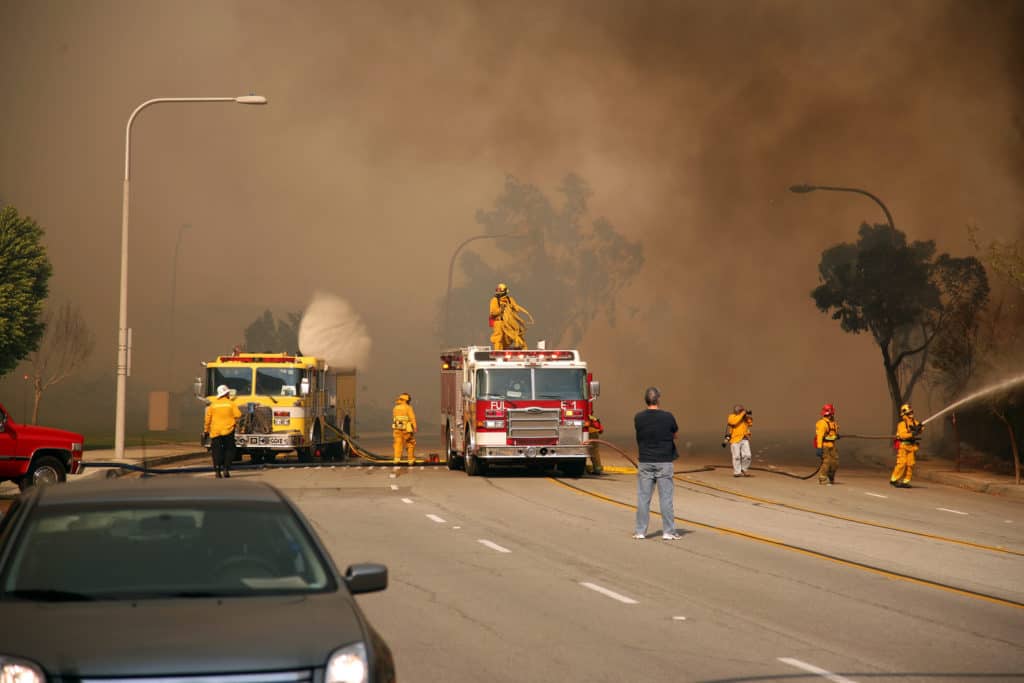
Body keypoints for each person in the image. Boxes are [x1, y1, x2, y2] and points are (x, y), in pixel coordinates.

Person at [633, 387, 681, 540]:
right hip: (664, 462)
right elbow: (675, 434)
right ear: (658, 399)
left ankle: (640, 531)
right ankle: (668, 532)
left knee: (643, 498)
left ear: (645, 400)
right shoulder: (668, 417)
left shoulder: (638, 418)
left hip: (645, 461)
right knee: (666, 498)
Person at [204, 384, 241, 478]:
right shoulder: (231, 403)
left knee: (216, 451)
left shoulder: (213, 405)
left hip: (215, 431)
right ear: (226, 393)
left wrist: (206, 430)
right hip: (228, 430)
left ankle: (217, 470)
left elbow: (208, 419)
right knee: (230, 449)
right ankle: (226, 469)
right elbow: (238, 415)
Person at [891, 403, 923, 488]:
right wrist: (912, 433)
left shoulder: (914, 422)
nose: (911, 414)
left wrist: (919, 428)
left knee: (910, 464)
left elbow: (921, 428)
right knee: (901, 463)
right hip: (903, 446)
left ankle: (906, 481)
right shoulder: (901, 424)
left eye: (911, 412)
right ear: (904, 414)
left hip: (911, 447)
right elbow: (902, 435)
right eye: (909, 413)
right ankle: (894, 479)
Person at [488, 283, 528, 350]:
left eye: (500, 290)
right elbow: (493, 312)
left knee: (511, 337)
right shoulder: (494, 300)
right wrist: (501, 309)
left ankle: (523, 349)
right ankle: (498, 352)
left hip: (509, 323)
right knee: (498, 338)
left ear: (505, 291)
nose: (498, 291)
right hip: (499, 323)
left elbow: (516, 308)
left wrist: (514, 308)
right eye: (497, 290)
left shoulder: (510, 299)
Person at [814, 403, 840, 485]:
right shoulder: (822, 423)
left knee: (835, 462)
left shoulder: (833, 423)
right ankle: (822, 477)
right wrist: (819, 448)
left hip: (832, 446)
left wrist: (836, 436)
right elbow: (820, 436)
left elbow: (834, 433)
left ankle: (831, 476)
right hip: (824, 446)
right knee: (827, 462)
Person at [725, 404, 754, 477]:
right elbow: (734, 422)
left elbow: (750, 423)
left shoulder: (744, 418)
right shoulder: (731, 416)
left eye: (742, 410)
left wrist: (747, 416)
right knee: (736, 457)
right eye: (740, 410)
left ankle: (743, 469)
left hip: (744, 438)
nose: (741, 411)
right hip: (735, 439)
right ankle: (737, 472)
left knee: (748, 456)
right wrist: (742, 415)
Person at [392, 392, 417, 464]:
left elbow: (394, 417)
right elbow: (412, 417)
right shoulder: (408, 408)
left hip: (397, 429)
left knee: (397, 443)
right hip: (407, 429)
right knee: (410, 443)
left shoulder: (395, 408)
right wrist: (415, 426)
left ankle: (397, 459)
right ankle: (410, 460)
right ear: (406, 400)